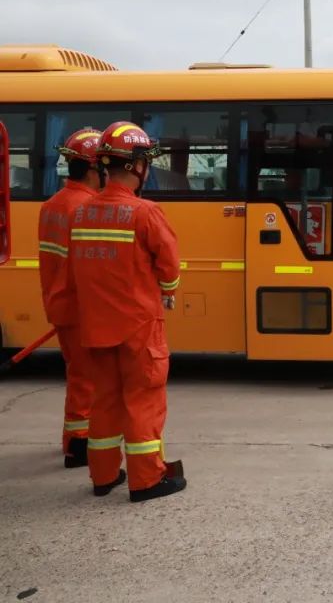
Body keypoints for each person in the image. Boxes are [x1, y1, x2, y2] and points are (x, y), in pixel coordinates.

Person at [69, 121, 186, 502]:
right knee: (143, 402)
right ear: (137, 166)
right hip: (138, 327)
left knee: (104, 400)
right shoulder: (145, 213)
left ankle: (103, 477)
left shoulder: (82, 214)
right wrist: (167, 291)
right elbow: (169, 266)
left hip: (95, 325)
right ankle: (146, 480)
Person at [37, 128, 104, 468]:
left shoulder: (52, 205)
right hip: (80, 308)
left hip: (60, 303)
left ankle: (75, 437)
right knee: (85, 378)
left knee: (78, 373)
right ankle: (78, 445)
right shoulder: (86, 208)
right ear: (93, 169)